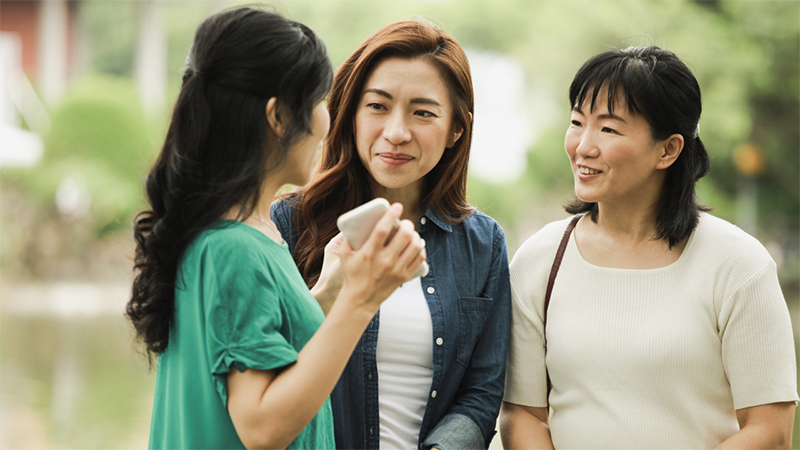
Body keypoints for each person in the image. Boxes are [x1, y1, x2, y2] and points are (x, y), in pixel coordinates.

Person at [125, 8, 426, 450]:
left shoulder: (250, 230)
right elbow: (261, 427)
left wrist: (331, 290)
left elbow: (268, 348)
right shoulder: (233, 248)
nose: (326, 121)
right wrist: (362, 299)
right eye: (319, 102)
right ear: (279, 117)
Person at [499, 45, 798, 450]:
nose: (583, 146)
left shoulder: (738, 264)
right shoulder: (539, 259)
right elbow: (522, 414)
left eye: (608, 129)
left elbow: (770, 430)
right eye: (577, 122)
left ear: (668, 149)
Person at [271, 19, 511, 450]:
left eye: (423, 112)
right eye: (378, 106)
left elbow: (483, 391)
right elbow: (265, 376)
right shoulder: (290, 223)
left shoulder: (483, 244)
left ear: (457, 128)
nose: (396, 132)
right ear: (349, 114)